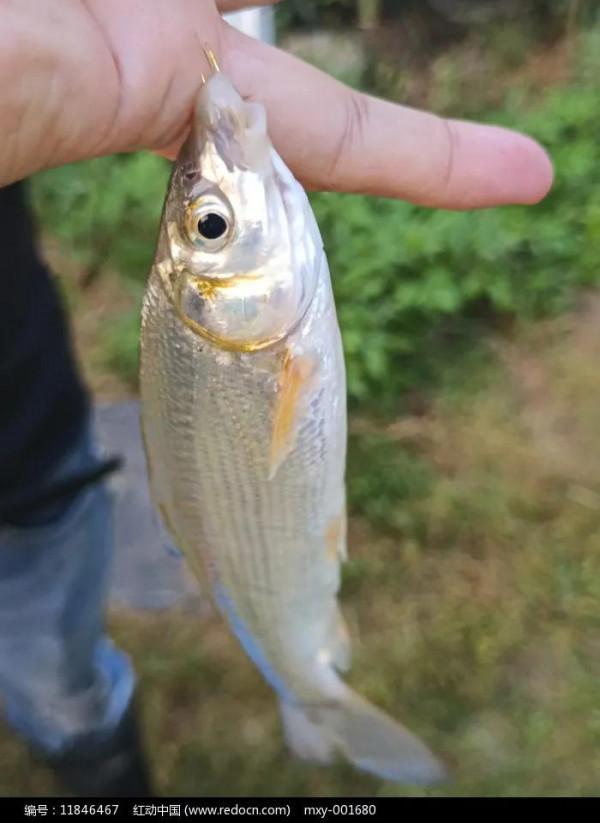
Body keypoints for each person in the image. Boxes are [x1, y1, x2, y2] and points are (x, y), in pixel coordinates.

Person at [0, 0, 553, 798]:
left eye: (210, 224)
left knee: (48, 618)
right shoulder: (256, 339)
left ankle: (106, 741)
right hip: (42, 439)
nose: (220, 178)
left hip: (26, 441)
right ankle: (295, 692)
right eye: (214, 225)